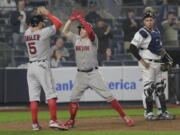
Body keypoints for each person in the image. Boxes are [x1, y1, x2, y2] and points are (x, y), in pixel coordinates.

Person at [62, 11, 134, 128]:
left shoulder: (93, 39)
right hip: (81, 75)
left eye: (83, 28)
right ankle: (71, 120)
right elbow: (65, 31)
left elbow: (90, 32)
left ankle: (125, 117)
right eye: (80, 29)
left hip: (93, 73)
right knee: (73, 98)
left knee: (109, 96)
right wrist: (71, 19)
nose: (81, 30)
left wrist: (82, 20)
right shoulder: (76, 39)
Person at [24, 7, 68, 131]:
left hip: (31, 67)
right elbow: (59, 23)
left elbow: (30, 24)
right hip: (42, 66)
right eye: (41, 22)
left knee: (34, 98)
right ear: (38, 24)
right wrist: (47, 14)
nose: (43, 23)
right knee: (51, 94)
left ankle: (35, 124)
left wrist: (37, 16)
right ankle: (53, 120)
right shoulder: (43, 33)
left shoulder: (27, 33)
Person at [130, 11, 176, 120]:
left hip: (157, 62)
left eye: (151, 20)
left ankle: (162, 112)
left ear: (154, 21)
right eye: (147, 20)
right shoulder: (141, 32)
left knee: (160, 88)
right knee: (149, 88)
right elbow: (132, 47)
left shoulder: (156, 31)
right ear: (144, 22)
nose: (149, 22)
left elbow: (159, 49)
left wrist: (167, 58)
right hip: (147, 62)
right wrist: (142, 61)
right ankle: (148, 113)